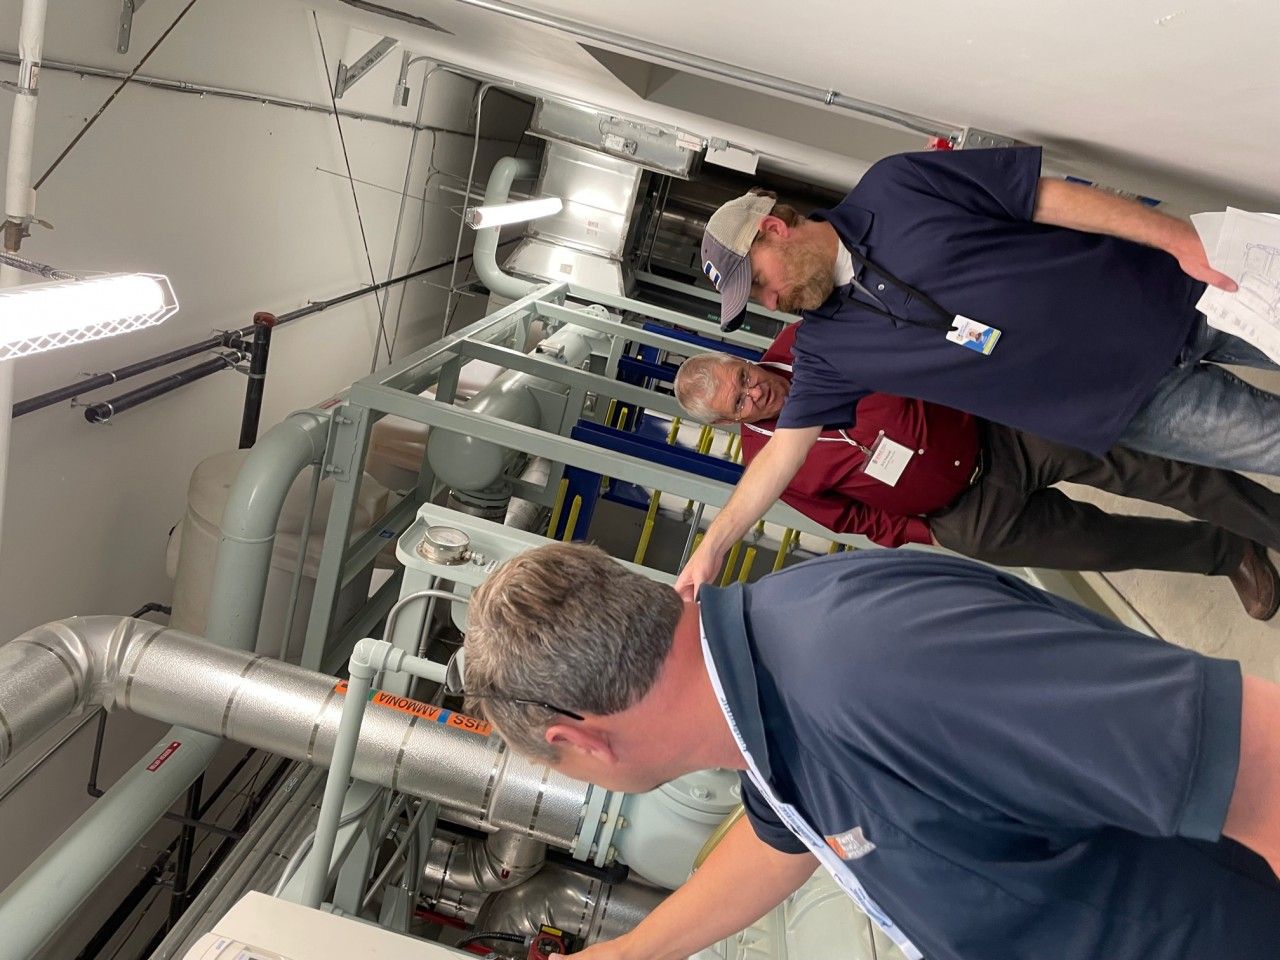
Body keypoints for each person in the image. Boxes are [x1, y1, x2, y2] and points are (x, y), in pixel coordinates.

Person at [462, 543, 1280, 960]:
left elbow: (1265, 764)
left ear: (577, 739)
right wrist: (633, 952)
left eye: (555, 765)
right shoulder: (762, 704)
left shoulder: (876, 666)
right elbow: (789, 834)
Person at [680, 147, 1280, 596]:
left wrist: (1178, 240)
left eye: (760, 283)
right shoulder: (825, 349)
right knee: (1270, 444)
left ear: (774, 230)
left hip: (1167, 298)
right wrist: (712, 549)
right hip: (1129, 405)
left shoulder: (894, 186)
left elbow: (1043, 198)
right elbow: (781, 458)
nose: (771, 301)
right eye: (757, 301)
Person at [673, 325, 1280, 618]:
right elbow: (853, 517)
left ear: (741, 360)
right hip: (966, 514)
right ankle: (1227, 552)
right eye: (740, 402)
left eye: (743, 377)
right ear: (728, 422)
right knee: (1104, 545)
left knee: (1159, 472)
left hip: (999, 422)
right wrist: (929, 532)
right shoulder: (768, 468)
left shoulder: (807, 344)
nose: (755, 392)